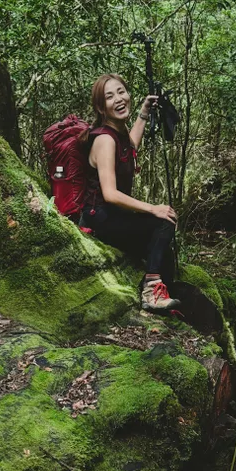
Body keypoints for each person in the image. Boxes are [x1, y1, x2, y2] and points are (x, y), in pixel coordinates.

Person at [80, 74, 180, 313]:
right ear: (100, 107)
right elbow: (110, 194)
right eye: (110, 96)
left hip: (112, 216)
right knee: (163, 223)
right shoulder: (105, 140)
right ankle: (151, 291)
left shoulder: (117, 134)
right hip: (100, 218)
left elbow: (130, 146)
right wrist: (153, 208)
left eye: (121, 91)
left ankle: (163, 295)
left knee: (163, 248)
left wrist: (144, 112)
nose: (119, 99)